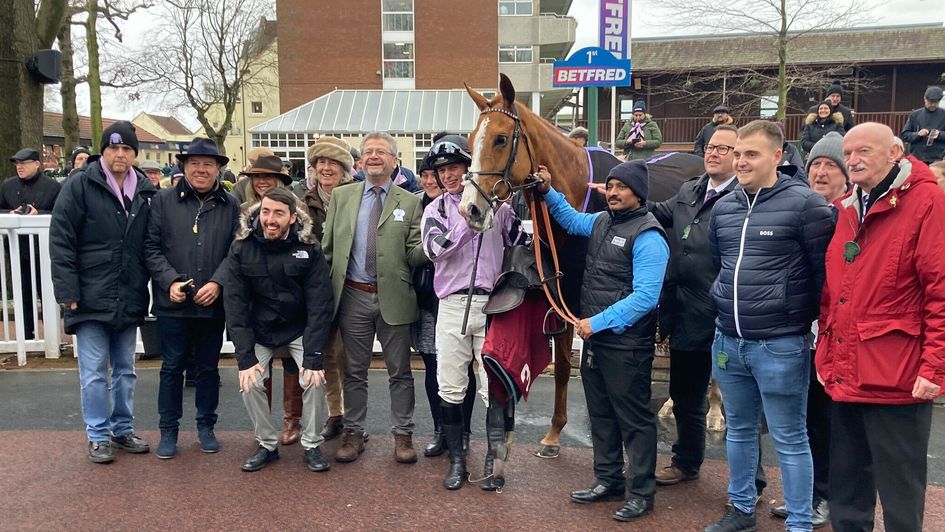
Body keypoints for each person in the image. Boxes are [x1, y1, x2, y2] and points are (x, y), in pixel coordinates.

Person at [705, 120, 834, 532]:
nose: (740, 161)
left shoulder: (806, 205)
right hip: (728, 340)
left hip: (780, 345)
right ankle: (741, 509)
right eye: (738, 153)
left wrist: (790, 315)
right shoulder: (724, 207)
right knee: (739, 431)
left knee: (791, 438)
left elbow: (824, 276)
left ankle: (799, 523)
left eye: (751, 154)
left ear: (777, 156)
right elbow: (720, 264)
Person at [816, 123, 945, 532]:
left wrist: (935, 367)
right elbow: (832, 290)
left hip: (897, 374)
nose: (852, 160)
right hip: (846, 368)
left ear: (894, 152)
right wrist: (825, 354)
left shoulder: (927, 202)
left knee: (900, 492)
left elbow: (940, 291)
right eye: (848, 152)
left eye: (863, 152)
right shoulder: (849, 205)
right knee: (847, 486)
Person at [536, 160, 668, 521]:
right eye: (610, 186)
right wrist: (548, 191)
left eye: (621, 187)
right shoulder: (600, 222)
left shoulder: (649, 236)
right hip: (596, 341)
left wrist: (598, 321)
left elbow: (645, 297)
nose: (612, 192)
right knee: (602, 414)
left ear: (638, 193)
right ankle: (608, 480)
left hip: (625, 344)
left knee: (635, 419)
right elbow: (569, 218)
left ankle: (641, 492)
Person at [420, 134, 529, 490]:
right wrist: (470, 220)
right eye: (441, 171)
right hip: (452, 306)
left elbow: (524, 241)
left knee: (495, 388)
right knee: (450, 387)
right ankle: (456, 460)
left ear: (469, 168)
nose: (448, 176)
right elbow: (436, 250)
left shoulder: (501, 209)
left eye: (454, 168)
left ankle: (494, 462)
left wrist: (527, 198)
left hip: (493, 305)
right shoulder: (435, 210)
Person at [49, 121, 156, 463]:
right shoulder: (80, 185)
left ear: (134, 153)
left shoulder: (144, 189)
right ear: (103, 152)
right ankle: (98, 434)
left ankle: (122, 429)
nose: (120, 154)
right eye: (113, 148)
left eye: (126, 149)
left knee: (126, 368)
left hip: (129, 292)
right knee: (94, 371)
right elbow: (62, 239)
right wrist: (67, 289)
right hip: (89, 293)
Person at [321, 131, 428, 464]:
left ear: (395, 161)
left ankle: (403, 435)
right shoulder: (342, 196)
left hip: (393, 298)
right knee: (353, 370)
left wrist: (438, 246)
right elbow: (327, 249)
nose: (374, 156)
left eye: (382, 152)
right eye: (368, 152)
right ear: (360, 161)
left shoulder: (410, 201)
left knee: (400, 371)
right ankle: (353, 433)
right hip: (352, 296)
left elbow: (413, 252)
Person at [648, 125, 738, 486]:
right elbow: (657, 212)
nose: (713, 153)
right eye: (711, 147)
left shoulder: (746, 197)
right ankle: (686, 461)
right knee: (685, 394)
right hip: (685, 312)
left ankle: (751, 482)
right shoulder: (690, 189)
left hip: (727, 317)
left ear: (738, 155)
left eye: (723, 149)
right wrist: (617, 197)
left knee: (739, 403)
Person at [769, 131, 848, 528]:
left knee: (826, 418)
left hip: (837, 334)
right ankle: (806, 492)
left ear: (845, 175)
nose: (820, 171)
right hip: (803, 330)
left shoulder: (850, 216)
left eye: (831, 166)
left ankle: (826, 495)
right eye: (816, 164)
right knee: (801, 419)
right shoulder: (801, 209)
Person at [225, 188, 334, 473]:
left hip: (298, 329)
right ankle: (267, 444)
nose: (270, 220)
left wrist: (314, 356)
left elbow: (320, 304)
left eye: (278, 214)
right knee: (250, 382)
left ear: (292, 217)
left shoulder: (309, 248)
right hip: (259, 330)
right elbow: (235, 304)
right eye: (265, 212)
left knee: (313, 379)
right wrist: (244, 358)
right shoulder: (241, 247)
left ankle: (311, 444)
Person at [145, 137, 239, 460]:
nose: (201, 169)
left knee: (208, 369)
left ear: (218, 169)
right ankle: (168, 430)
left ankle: (206, 426)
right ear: (184, 167)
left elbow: (235, 251)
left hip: (212, 303)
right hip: (174, 304)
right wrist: (169, 280)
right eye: (195, 163)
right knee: (171, 368)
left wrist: (218, 282)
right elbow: (151, 248)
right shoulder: (162, 201)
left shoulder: (231, 205)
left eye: (208, 164)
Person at [237, 154, 306, 445]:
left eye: (268, 177)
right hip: (258, 301)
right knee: (258, 370)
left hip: (292, 304)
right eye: (257, 177)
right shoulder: (242, 211)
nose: (262, 181)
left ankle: (292, 421)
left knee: (293, 365)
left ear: (280, 180)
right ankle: (264, 428)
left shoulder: (297, 209)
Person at [300, 136, 356, 441]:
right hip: (316, 289)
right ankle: (336, 414)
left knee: (350, 357)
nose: (325, 168)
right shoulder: (302, 201)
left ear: (344, 168)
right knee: (328, 356)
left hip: (351, 287)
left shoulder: (355, 198)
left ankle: (355, 419)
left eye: (332, 163)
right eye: (320, 163)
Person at [2, 147, 62, 341]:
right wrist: (10, 214)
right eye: (17, 164)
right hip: (17, 250)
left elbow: (60, 213)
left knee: (47, 292)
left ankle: (52, 337)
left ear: (37, 164)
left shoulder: (52, 187)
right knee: (22, 293)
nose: (19, 167)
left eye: (24, 163)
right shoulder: (8, 185)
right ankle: (26, 335)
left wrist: (40, 214)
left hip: (43, 250)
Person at [900, 86, 945, 164]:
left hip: (939, 159)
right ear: (925, 99)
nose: (933, 105)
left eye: (936, 103)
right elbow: (904, 135)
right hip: (918, 158)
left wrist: (939, 134)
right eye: (930, 102)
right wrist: (918, 134)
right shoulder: (915, 115)